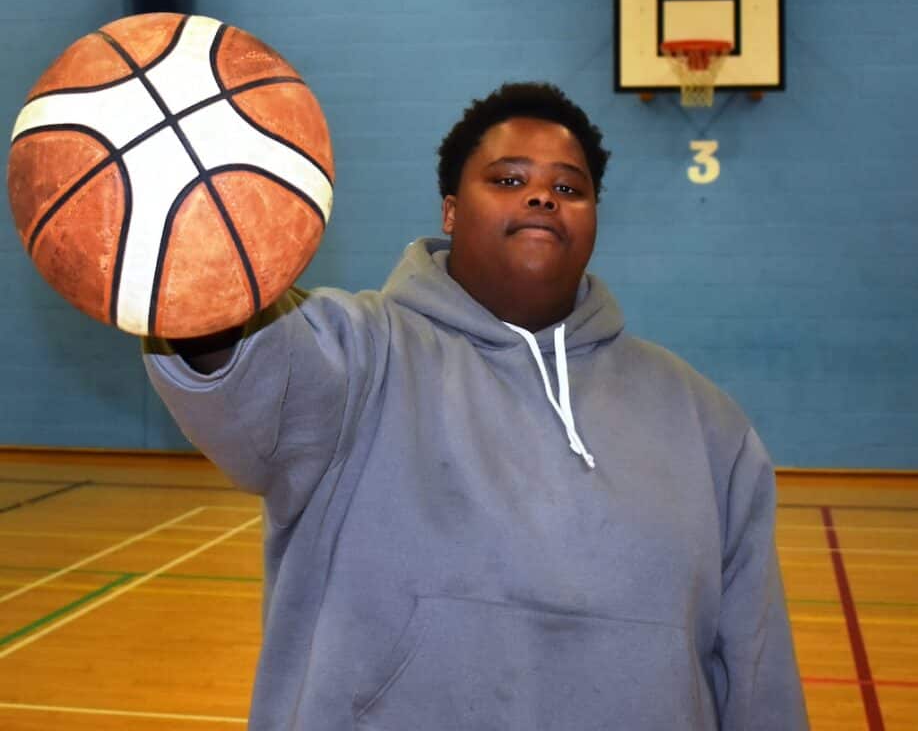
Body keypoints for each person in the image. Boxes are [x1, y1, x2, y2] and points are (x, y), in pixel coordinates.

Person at [144, 82, 809, 730]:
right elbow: (241, 366)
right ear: (451, 210)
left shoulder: (705, 422)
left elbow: (755, 670)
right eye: (509, 179)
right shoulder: (355, 357)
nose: (543, 195)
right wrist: (195, 249)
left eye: (569, 187)